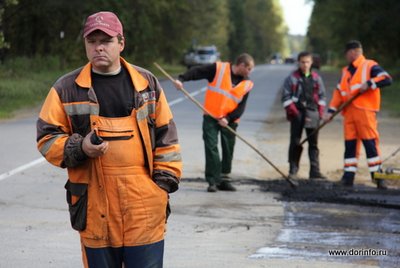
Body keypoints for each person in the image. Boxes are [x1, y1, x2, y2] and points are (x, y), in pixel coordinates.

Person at [36, 11, 182, 268]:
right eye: (92, 42)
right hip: (94, 205)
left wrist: (161, 188)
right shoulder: (66, 88)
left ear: (121, 43)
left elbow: (166, 138)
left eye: (106, 40)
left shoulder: (146, 84)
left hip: (144, 205)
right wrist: (80, 147)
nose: (99, 47)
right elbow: (47, 138)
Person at [173, 54, 254, 192]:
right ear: (241, 65)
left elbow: (241, 107)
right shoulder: (219, 69)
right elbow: (198, 71)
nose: (250, 72)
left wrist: (228, 119)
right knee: (211, 147)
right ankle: (213, 181)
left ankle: (224, 180)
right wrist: (182, 79)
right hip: (210, 116)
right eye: (249, 69)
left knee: (228, 149)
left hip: (230, 121)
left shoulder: (247, 83)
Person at [324, 40, 392, 189]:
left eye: (347, 53)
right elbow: (338, 93)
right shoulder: (345, 71)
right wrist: (330, 111)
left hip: (365, 112)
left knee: (370, 145)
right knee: (350, 146)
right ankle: (348, 178)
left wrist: (369, 84)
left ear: (353, 52)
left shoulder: (369, 65)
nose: (346, 56)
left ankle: (378, 178)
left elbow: (386, 78)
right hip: (349, 113)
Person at [281, 51, 327, 180]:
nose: (305, 65)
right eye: (302, 62)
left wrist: (320, 112)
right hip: (297, 114)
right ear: (298, 62)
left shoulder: (317, 78)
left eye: (307, 62)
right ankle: (293, 170)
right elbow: (286, 98)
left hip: (313, 114)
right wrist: (294, 113)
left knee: (313, 143)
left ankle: (315, 171)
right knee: (295, 142)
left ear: (311, 62)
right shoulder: (291, 78)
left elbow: (322, 96)